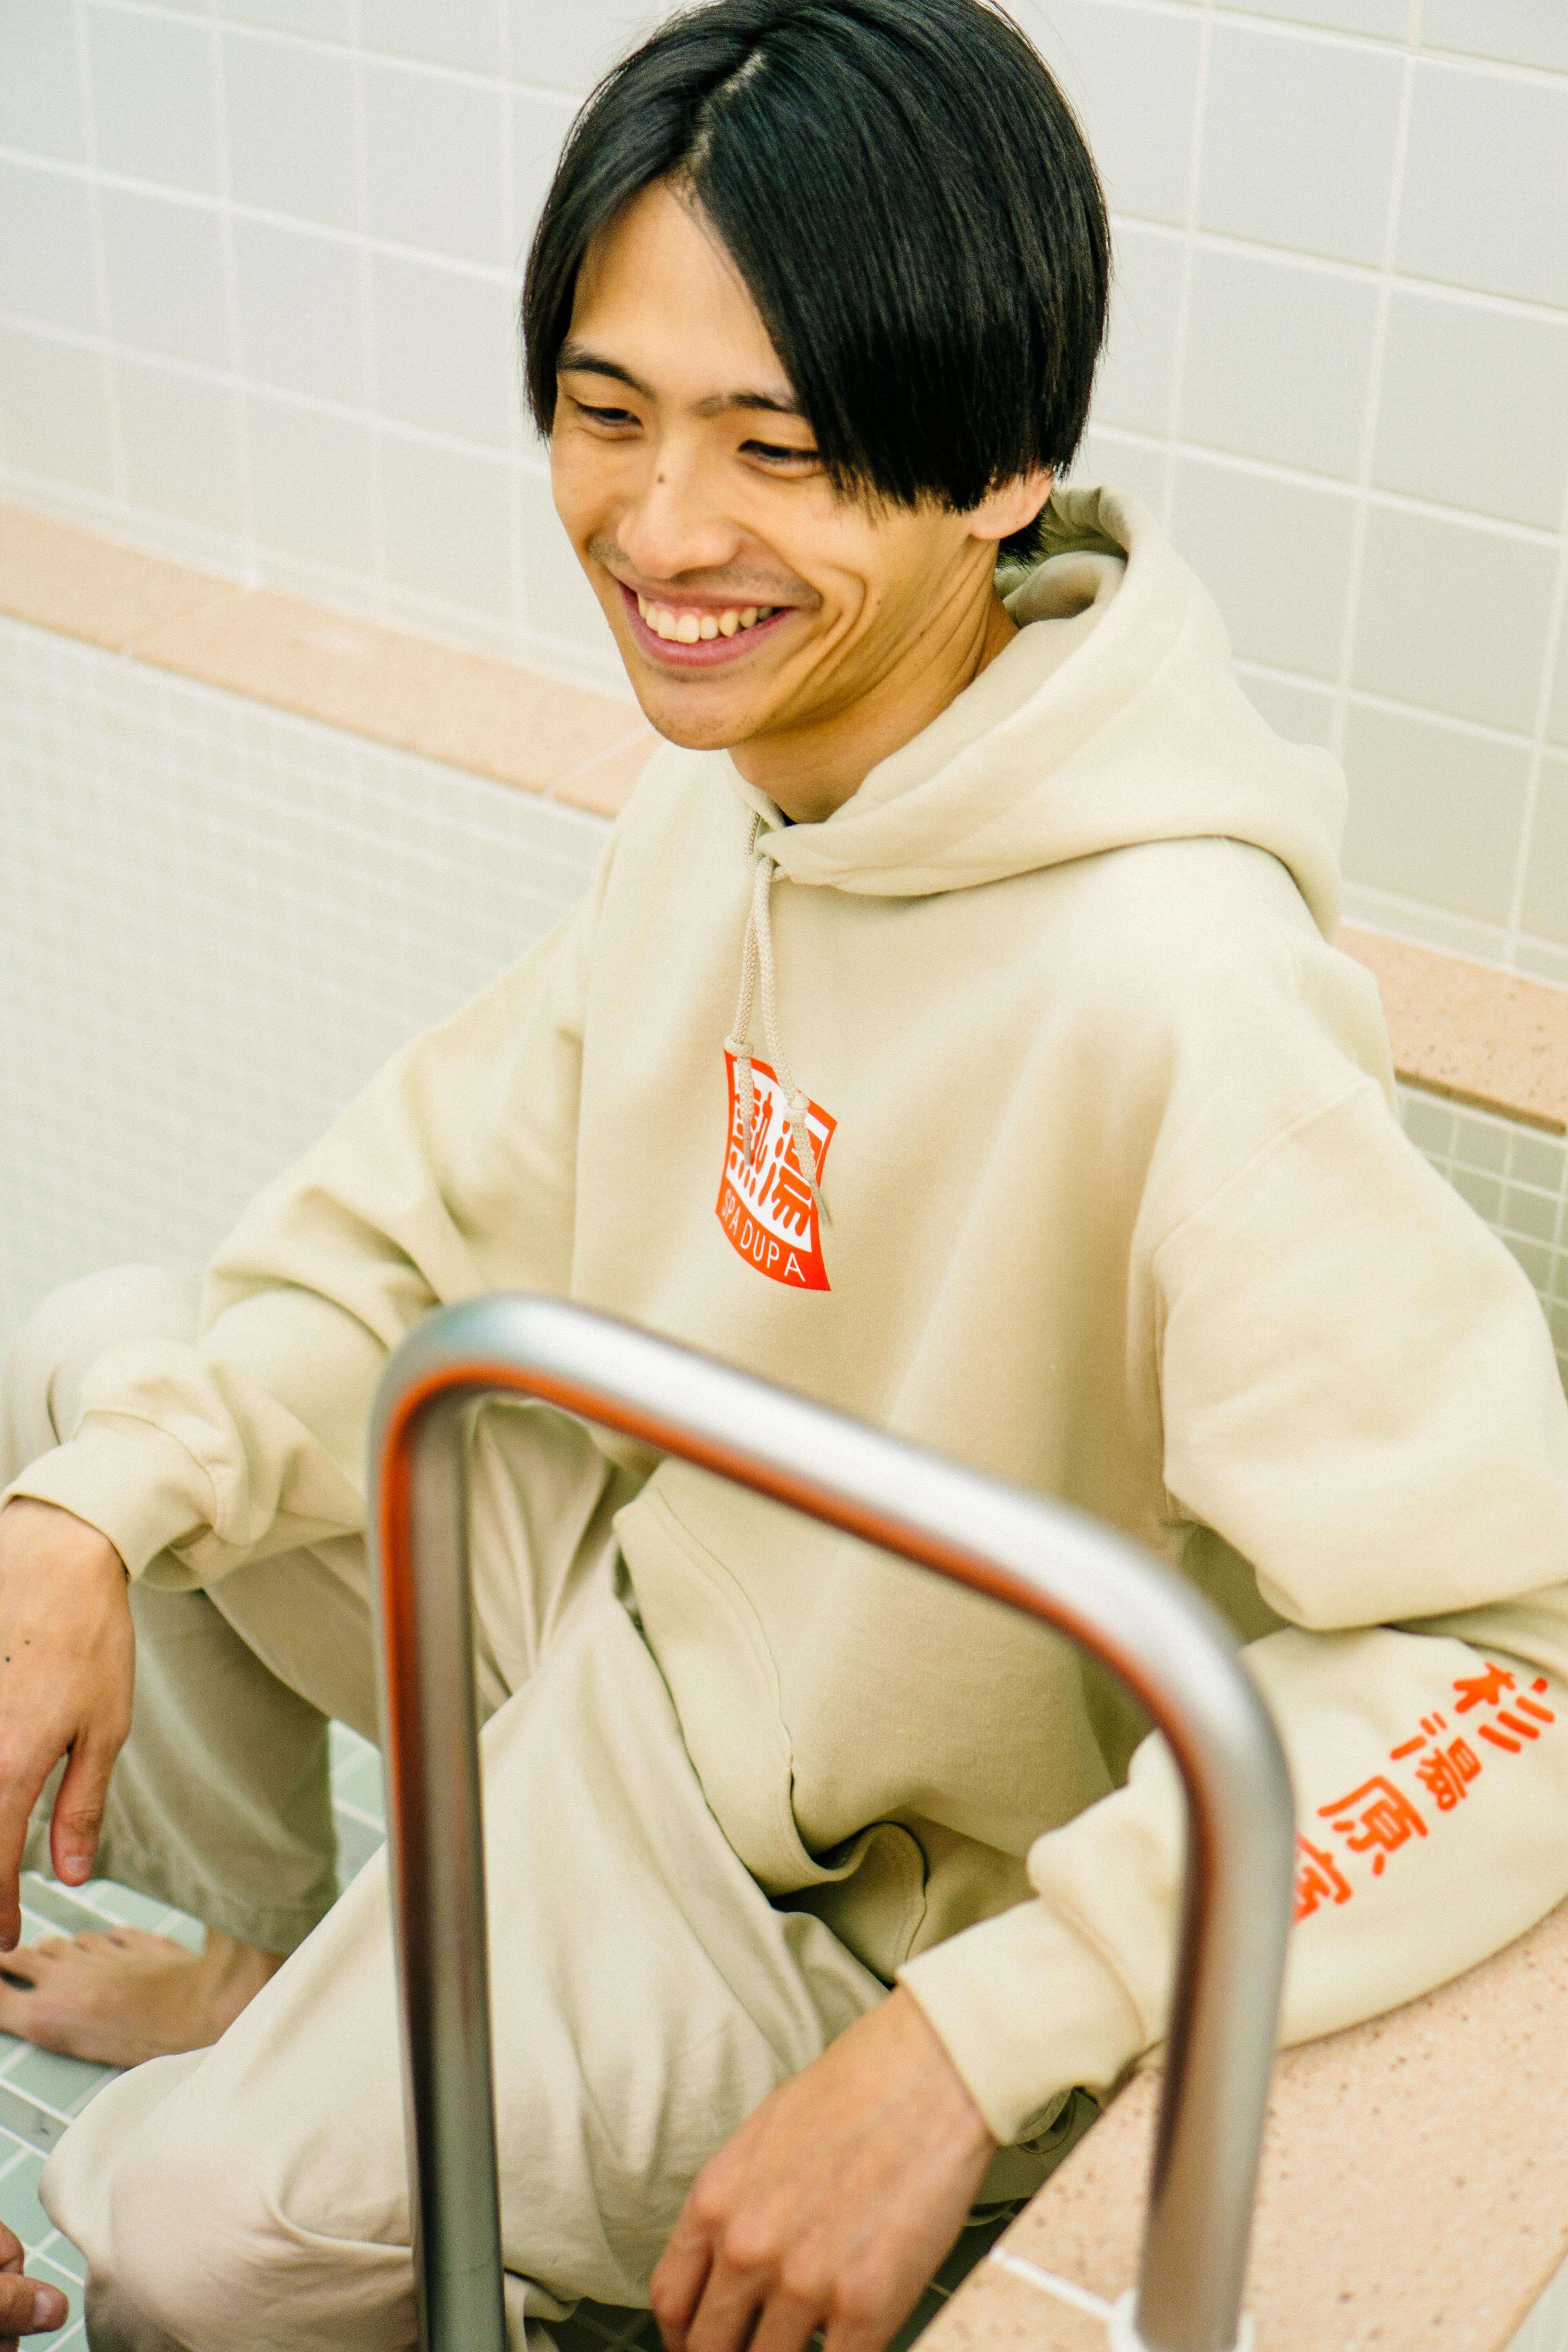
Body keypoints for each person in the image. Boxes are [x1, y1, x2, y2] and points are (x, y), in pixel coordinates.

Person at [2, 0, 1567, 2344]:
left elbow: (1516, 1660)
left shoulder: (1174, 990)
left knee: (182, 2249)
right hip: (663, 1614)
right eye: (607, 412)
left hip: (860, 1902)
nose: (661, 532)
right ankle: (276, 1981)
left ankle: (364, 2158)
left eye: (781, 448)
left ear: (1001, 467)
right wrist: (84, 1518)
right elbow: (414, 1216)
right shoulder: (743, 782)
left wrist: (986, 2033)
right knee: (108, 1380)